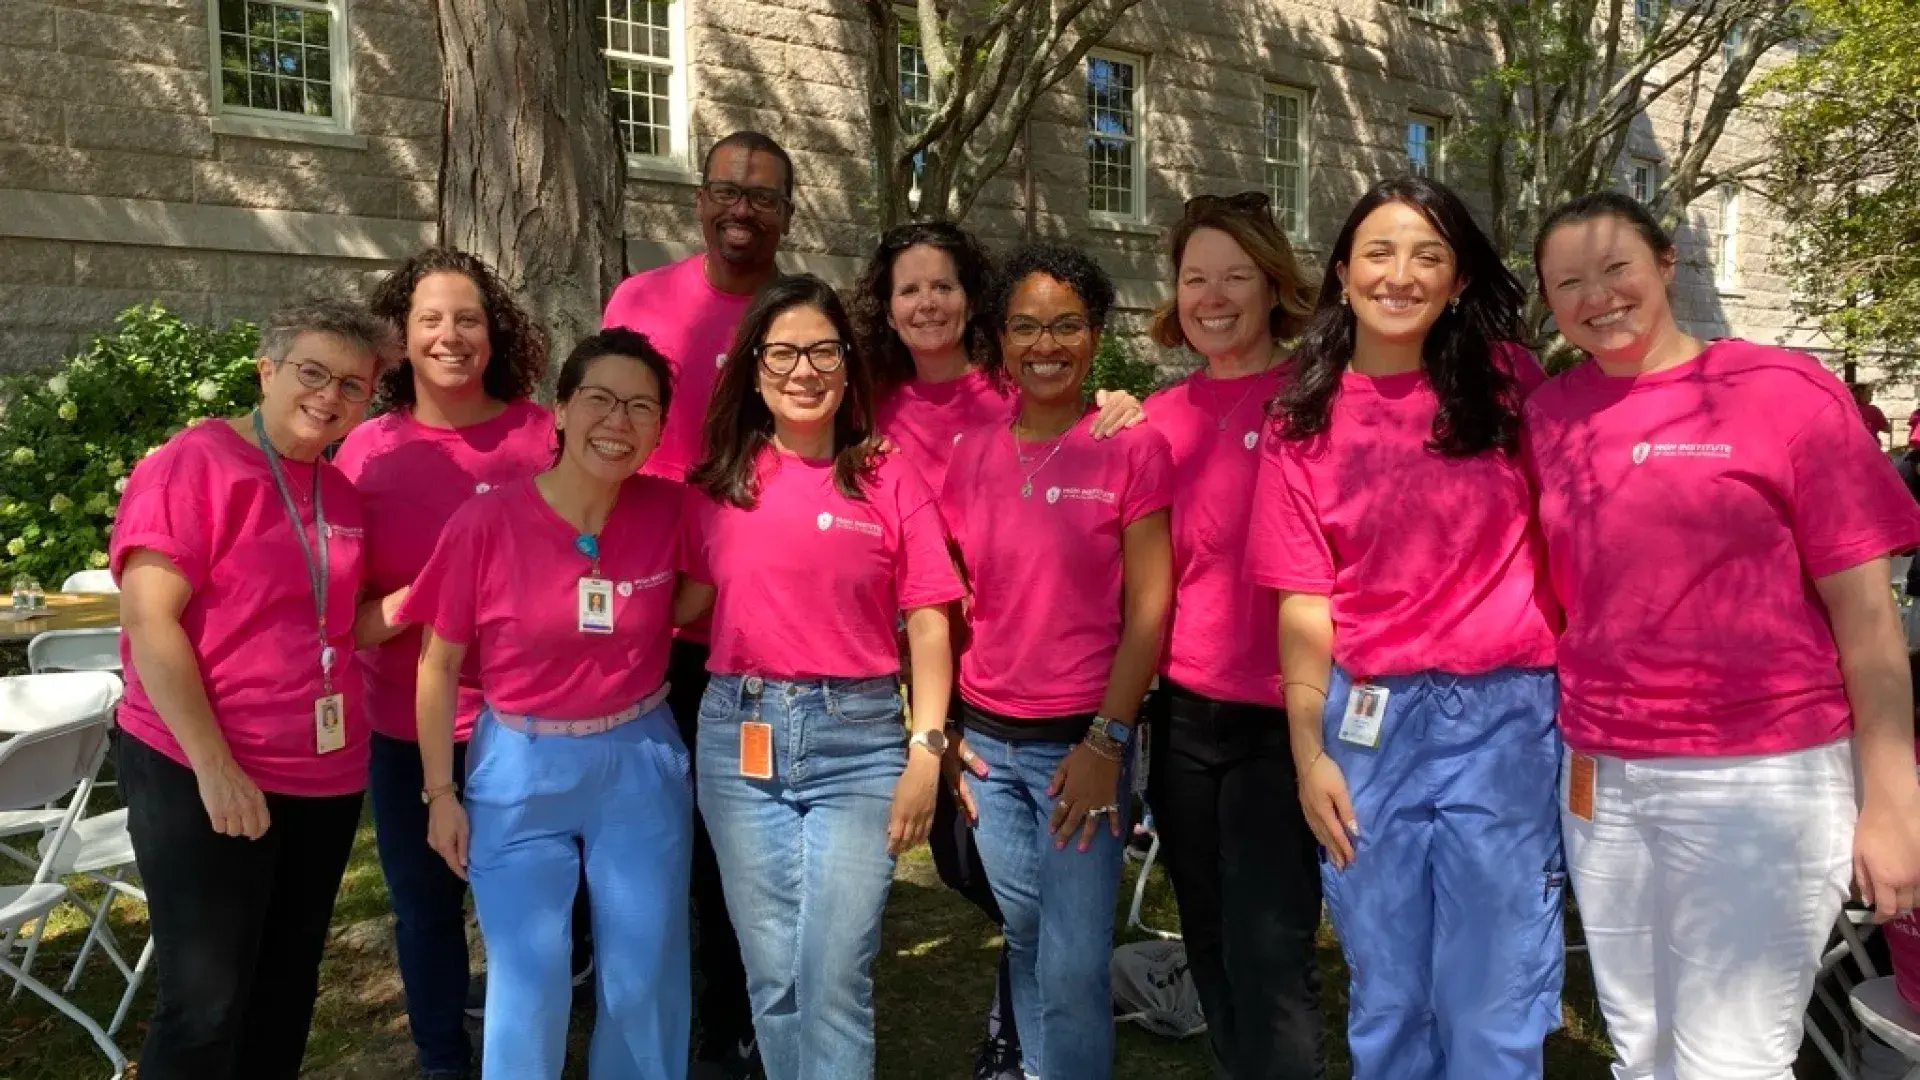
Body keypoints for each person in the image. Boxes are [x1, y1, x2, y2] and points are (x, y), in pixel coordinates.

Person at [1527, 190, 1920, 1080]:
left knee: (1729, 1063)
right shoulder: (1551, 417)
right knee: (1644, 1051)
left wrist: (1893, 800)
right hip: (1601, 776)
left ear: (1667, 263)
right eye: (1570, 282)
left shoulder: (1781, 393)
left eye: (1617, 267)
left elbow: (1868, 618)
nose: (1599, 296)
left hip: (1758, 777)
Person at [1248, 176, 1564, 1080]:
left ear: (1459, 279)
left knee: (1492, 992)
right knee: (1387, 986)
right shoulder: (1301, 418)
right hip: (1368, 722)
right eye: (1379, 252)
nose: (1401, 274)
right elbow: (1304, 602)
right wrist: (1310, 755)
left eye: (1429, 255)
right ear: (1341, 274)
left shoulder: (1509, 385)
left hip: (1505, 717)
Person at [846, 218, 1144, 1080]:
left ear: (973, 301)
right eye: (909, 287)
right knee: (991, 884)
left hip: (1060, 700)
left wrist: (1119, 404)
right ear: (888, 305)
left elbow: (1085, 457)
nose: (927, 301)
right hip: (956, 690)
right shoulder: (869, 400)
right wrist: (935, 719)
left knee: (1057, 933)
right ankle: (1032, 1019)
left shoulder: (1011, 394)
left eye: (944, 284)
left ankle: (1021, 1036)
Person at [675, 275, 963, 1080]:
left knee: (834, 975)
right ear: (755, 369)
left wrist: (925, 751)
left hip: (862, 739)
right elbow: (674, 602)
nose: (805, 370)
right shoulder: (715, 488)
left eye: (824, 351)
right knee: (773, 979)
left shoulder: (886, 476)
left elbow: (932, 617)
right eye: (784, 352)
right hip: (740, 736)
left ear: (848, 367)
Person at [111, 299, 388, 1080]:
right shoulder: (194, 464)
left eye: (353, 386)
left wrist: (428, 595)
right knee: (205, 1001)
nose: (329, 396)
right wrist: (214, 765)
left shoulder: (339, 493)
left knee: (285, 987)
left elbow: (335, 629)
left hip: (322, 777)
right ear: (265, 370)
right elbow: (150, 621)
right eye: (312, 372)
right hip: (199, 763)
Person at [409, 328, 693, 1080]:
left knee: (643, 976)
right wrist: (440, 791)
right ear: (560, 412)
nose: (618, 422)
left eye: (640, 407)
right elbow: (437, 665)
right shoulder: (486, 522)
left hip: (639, 756)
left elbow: (714, 586)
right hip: (520, 762)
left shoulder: (673, 511)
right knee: (529, 980)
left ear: (661, 426)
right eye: (599, 399)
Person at [941, 242, 1174, 1080]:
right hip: (989, 752)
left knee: (1074, 968)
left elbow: (1151, 610)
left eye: (1066, 326)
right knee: (1032, 935)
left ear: (1095, 332)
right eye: (1026, 327)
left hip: (1083, 745)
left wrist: (1107, 744)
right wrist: (943, 737)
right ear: (999, 341)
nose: (1047, 345)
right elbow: (947, 605)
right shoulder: (968, 457)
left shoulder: (1130, 446)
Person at [335, 247, 555, 1080]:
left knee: (532, 914)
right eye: (430, 319)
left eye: (467, 318)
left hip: (532, 721)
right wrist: (420, 598)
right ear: (401, 337)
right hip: (402, 725)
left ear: (494, 333)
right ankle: (440, 1059)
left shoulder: (542, 436)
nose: (450, 335)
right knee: (425, 912)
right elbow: (346, 625)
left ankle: (525, 1050)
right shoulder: (364, 453)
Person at [601, 130, 792, 1077]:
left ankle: (730, 1031)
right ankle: (632, 1025)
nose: (742, 208)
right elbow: (605, 422)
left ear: (787, 214)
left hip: (752, 631)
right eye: (726, 190)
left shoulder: (799, 315)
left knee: (733, 847)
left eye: (761, 196)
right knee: (640, 835)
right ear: (700, 202)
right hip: (647, 617)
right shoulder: (642, 301)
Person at [1141, 191, 1322, 1080]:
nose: (1213, 296)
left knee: (1272, 954)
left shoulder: (1318, 397)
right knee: (1207, 938)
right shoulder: (1155, 420)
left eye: (1235, 276)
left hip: (1285, 719)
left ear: (1273, 284)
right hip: (1182, 716)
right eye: (1194, 278)